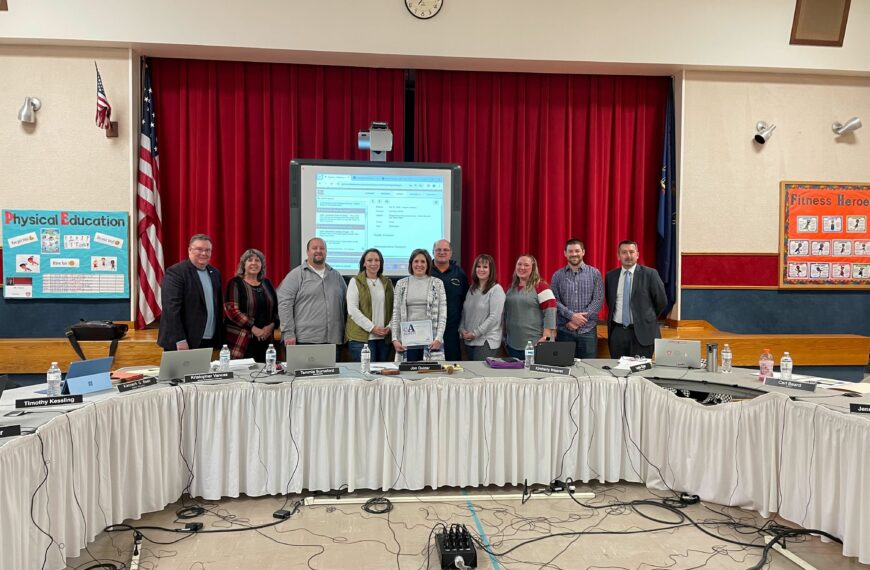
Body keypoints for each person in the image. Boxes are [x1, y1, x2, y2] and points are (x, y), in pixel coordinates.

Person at [277, 237, 347, 358]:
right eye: (314, 248)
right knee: (304, 377)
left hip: (333, 341)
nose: (318, 251)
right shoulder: (296, 275)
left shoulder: (336, 276)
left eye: (322, 248)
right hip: (304, 340)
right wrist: (288, 333)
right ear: (307, 251)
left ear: (326, 252)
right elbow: (284, 305)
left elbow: (346, 305)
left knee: (332, 377)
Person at [158, 234, 223, 351]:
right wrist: (180, 339)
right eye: (199, 249)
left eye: (207, 250)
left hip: (208, 340)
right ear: (189, 250)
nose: (204, 253)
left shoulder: (215, 273)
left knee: (205, 370)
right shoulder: (176, 272)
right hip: (183, 342)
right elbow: (171, 309)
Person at [605, 240, 667, 359]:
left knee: (640, 373)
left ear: (637, 255)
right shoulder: (610, 276)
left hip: (643, 334)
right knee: (618, 373)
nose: (628, 256)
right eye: (624, 252)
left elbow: (661, 301)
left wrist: (646, 317)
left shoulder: (650, 274)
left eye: (631, 252)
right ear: (618, 256)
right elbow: (610, 302)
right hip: (618, 333)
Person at [551, 239, 604, 359]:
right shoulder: (557, 275)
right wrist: (572, 317)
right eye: (570, 251)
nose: (574, 254)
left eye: (577, 251)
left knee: (589, 369)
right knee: (564, 368)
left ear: (583, 252)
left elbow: (598, 299)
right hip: (565, 330)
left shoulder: (595, 273)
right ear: (565, 253)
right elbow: (554, 301)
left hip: (588, 331)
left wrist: (579, 320)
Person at [223, 248, 279, 362]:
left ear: (262, 265)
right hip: (242, 339)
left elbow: (276, 309)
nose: (254, 263)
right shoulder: (235, 283)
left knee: (265, 374)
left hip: (266, 339)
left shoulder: (267, 283)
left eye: (257, 260)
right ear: (243, 264)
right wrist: (253, 328)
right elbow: (232, 311)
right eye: (250, 260)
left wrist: (271, 326)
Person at [390, 249, 447, 362]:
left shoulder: (438, 283)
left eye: (423, 261)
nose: (419, 265)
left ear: (428, 264)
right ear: (411, 264)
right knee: (407, 376)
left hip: (431, 341)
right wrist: (395, 339)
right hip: (407, 341)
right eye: (416, 261)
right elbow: (396, 314)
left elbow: (443, 315)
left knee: (430, 375)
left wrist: (439, 338)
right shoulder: (401, 284)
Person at [503, 254, 556, 359]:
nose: (522, 267)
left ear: (533, 268)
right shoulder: (510, 288)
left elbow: (550, 311)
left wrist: (547, 337)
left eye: (526, 265)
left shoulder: (541, 286)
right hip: (512, 345)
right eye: (519, 264)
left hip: (535, 345)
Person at [345, 248, 394, 363]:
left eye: (377, 260)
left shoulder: (387, 283)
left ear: (381, 263)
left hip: (384, 340)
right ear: (364, 263)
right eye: (369, 260)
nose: (373, 263)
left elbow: (394, 308)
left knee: (382, 376)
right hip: (361, 340)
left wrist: (390, 326)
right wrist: (372, 328)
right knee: (367, 377)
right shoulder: (355, 282)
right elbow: (352, 310)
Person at [458, 254, 505, 360]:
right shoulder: (471, 289)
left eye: (485, 267)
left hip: (486, 341)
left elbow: (494, 317)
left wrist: (476, 333)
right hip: (469, 340)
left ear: (491, 270)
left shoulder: (496, 290)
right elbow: (464, 312)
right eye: (478, 266)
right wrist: (461, 329)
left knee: (479, 374)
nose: (481, 269)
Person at [430, 239, 468, 361]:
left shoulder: (459, 273)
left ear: (451, 253)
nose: (442, 252)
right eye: (438, 250)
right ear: (433, 252)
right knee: (430, 367)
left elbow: (465, 300)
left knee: (452, 364)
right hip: (430, 329)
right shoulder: (426, 272)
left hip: (451, 329)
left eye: (445, 250)